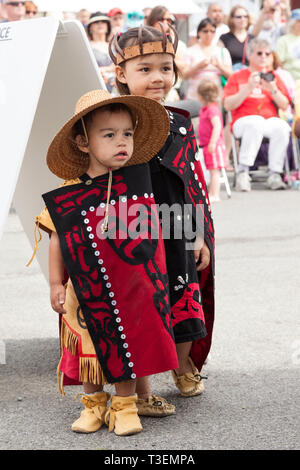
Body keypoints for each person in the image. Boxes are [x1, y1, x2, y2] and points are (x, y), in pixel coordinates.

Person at [33, 89, 178, 436]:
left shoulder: (136, 188)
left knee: (127, 343)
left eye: (127, 133)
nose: (121, 141)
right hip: (84, 292)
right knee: (90, 351)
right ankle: (94, 404)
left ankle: (125, 405)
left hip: (130, 290)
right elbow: (57, 238)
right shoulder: (71, 190)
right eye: (109, 135)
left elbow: (146, 242)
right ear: (84, 143)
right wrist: (56, 282)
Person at [111, 25, 215, 400]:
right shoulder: (113, 119)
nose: (158, 77)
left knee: (185, 294)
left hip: (178, 220)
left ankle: (183, 365)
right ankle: (140, 387)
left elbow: (191, 181)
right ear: (121, 74)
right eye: (145, 69)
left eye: (166, 68)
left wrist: (199, 233)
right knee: (142, 303)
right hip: (134, 226)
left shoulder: (182, 120)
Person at [223, 37, 291, 191]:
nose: (264, 57)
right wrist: (247, 88)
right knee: (256, 122)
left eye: (267, 54)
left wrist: (272, 89)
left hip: (269, 121)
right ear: (250, 55)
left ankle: (275, 173)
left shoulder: (273, 77)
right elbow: (228, 104)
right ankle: (243, 172)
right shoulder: (237, 76)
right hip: (243, 121)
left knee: (282, 127)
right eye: (259, 53)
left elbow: (285, 105)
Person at [183, 18, 232, 101]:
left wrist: (219, 66)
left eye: (212, 31)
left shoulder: (222, 51)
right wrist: (198, 66)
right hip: (195, 96)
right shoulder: (190, 51)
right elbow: (184, 75)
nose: (208, 34)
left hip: (216, 96)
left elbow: (231, 75)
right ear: (199, 33)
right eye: (205, 31)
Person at [197, 80, 226, 202]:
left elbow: (217, 126)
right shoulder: (205, 109)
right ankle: (211, 193)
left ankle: (215, 194)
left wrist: (213, 142)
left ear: (201, 96)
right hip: (206, 145)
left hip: (213, 145)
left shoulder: (212, 110)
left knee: (214, 171)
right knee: (210, 170)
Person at [219, 5, 254, 71]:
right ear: (231, 19)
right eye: (239, 17)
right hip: (230, 75)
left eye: (245, 16)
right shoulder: (224, 38)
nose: (242, 19)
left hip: (249, 75)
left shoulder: (253, 39)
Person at [86, 12, 114, 92]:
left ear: (108, 26)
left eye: (103, 22)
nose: (100, 24)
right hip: (94, 87)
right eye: (96, 22)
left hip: (115, 88)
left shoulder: (115, 46)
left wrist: (108, 69)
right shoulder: (87, 46)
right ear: (90, 27)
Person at [276, 8, 300, 80]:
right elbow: (278, 63)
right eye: (299, 21)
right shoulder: (283, 40)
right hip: (290, 78)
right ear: (292, 23)